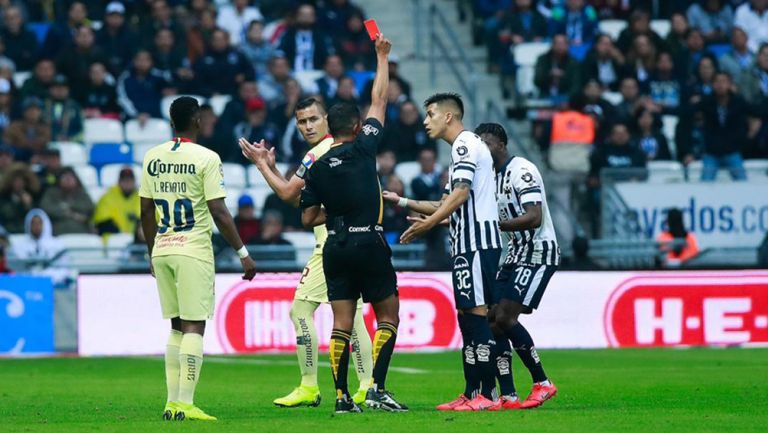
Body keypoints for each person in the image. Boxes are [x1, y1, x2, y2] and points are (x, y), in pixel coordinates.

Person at [239, 97, 375, 408]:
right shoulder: (344, 149)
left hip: (333, 245)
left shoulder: (319, 153)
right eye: (302, 121)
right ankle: (362, 385)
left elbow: (289, 195)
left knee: (306, 312)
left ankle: (315, 385)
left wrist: (262, 166)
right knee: (347, 317)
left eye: (313, 119)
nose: (308, 126)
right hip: (346, 241)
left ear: (327, 119)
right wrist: (273, 167)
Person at [295, 34, 407, 414]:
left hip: (336, 247)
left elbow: (308, 216)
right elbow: (380, 98)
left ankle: (342, 398)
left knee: (341, 323)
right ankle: (375, 388)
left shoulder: (318, 165)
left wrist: (336, 212)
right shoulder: (364, 148)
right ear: (358, 127)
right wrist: (382, 56)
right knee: (387, 315)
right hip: (370, 243)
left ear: (329, 127)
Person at [139, 96, 256, 421]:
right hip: (192, 249)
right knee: (193, 326)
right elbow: (218, 209)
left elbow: (146, 210)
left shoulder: (152, 157)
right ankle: (186, 403)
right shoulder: (206, 158)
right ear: (198, 120)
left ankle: (172, 403)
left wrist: (152, 251)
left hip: (162, 248)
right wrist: (243, 253)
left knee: (176, 327)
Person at [388, 93, 503, 411]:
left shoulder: (466, 144)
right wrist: (400, 201)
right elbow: (444, 203)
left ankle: (488, 395)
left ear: (449, 117)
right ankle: (471, 391)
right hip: (466, 246)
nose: (426, 121)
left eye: (431, 114)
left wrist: (428, 226)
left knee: (478, 317)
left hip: (478, 244)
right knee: (466, 318)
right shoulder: (458, 153)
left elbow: (460, 195)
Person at [477, 122, 559, 409]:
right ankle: (509, 394)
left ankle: (542, 382)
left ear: (501, 144)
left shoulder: (521, 170)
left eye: (487, 143)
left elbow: (534, 216)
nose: (484, 150)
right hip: (513, 254)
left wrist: (494, 225)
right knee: (491, 319)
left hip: (537, 251)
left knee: (504, 317)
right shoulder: (491, 177)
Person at [696, 72, 749, 181]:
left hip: (732, 151)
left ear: (730, 84)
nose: (720, 85)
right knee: (705, 182)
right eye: (717, 82)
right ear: (712, 85)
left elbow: (756, 111)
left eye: (724, 81)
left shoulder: (738, 102)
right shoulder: (706, 102)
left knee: (743, 181)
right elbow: (686, 112)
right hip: (712, 152)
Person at [39, 167, 94, 235]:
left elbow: (89, 207)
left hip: (81, 231)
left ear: (76, 180)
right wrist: (70, 214)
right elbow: (46, 208)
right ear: (59, 180)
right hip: (57, 231)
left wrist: (67, 207)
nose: (68, 180)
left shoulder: (82, 193)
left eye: (70, 177)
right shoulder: (51, 193)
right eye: (65, 177)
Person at [93, 167, 139, 237]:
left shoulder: (144, 198)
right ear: (119, 182)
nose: (127, 183)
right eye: (124, 180)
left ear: (134, 182)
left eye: (130, 180)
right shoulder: (107, 197)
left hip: (139, 242)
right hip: (113, 242)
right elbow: (101, 222)